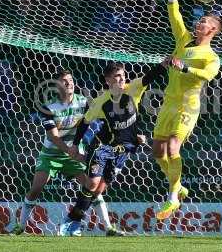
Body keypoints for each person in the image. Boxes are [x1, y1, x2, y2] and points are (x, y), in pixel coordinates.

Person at [60, 60, 167, 236]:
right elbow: (84, 123)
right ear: (108, 80)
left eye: (123, 76)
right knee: (92, 183)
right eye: (117, 76)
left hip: (123, 149)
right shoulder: (101, 102)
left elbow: (150, 77)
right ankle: (72, 223)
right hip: (102, 146)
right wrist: (74, 145)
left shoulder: (133, 89)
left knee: (100, 189)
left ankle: (81, 221)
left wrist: (165, 64)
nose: (121, 79)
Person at [153, 0, 222, 220]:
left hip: (187, 105)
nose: (199, 23)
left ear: (212, 30)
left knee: (173, 148)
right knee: (158, 153)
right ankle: (179, 185)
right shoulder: (183, 41)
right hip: (168, 103)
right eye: (200, 20)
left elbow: (208, 75)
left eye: (204, 22)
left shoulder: (211, 56)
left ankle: (173, 197)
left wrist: (184, 69)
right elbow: (176, 18)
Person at [12, 70, 110, 235]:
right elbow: (54, 136)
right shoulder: (48, 107)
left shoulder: (84, 102)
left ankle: (108, 227)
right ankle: (21, 226)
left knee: (91, 187)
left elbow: (98, 121)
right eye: (64, 81)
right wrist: (72, 151)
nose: (69, 83)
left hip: (73, 153)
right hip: (51, 155)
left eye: (70, 80)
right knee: (36, 189)